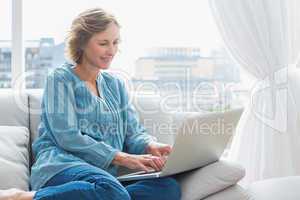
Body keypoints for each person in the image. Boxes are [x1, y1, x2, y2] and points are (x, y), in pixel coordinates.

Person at [0, 8, 181, 200]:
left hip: (104, 177)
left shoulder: (116, 85)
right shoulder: (60, 79)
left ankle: (103, 196)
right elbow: (67, 137)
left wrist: (150, 146)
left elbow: (133, 133)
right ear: (82, 43)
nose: (111, 50)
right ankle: (22, 197)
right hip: (62, 167)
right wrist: (122, 158)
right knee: (111, 191)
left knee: (168, 187)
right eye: (103, 43)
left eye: (115, 42)